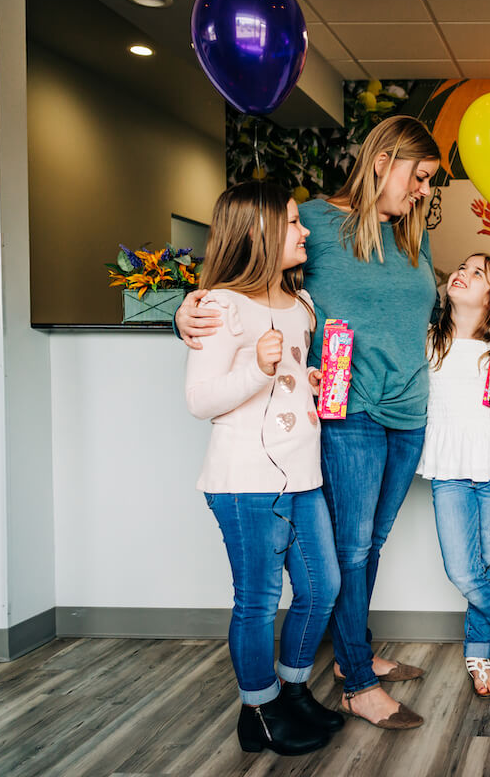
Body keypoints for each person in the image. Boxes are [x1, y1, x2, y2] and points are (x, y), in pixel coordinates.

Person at [176, 116, 441, 729]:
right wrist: (185, 313)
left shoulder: (412, 237)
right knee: (348, 549)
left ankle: (352, 656)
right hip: (348, 414)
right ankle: (358, 682)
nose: (423, 191)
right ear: (383, 161)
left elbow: (416, 316)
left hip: (408, 410)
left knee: (367, 546)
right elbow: (246, 276)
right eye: (419, 176)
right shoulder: (314, 224)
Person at [185, 181, 343, 756]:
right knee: (256, 600)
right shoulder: (218, 306)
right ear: (259, 233)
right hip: (244, 482)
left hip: (302, 475)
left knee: (321, 588)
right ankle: (258, 710)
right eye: (295, 223)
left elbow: (288, 379)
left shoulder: (300, 305)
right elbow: (200, 400)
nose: (305, 233)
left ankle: (292, 693)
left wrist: (310, 383)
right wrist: (256, 367)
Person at [418, 253, 490, 697]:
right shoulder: (429, 340)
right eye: (461, 267)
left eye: (476, 273)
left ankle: (478, 653)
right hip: (447, 465)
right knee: (464, 571)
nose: (462, 274)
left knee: (488, 567)